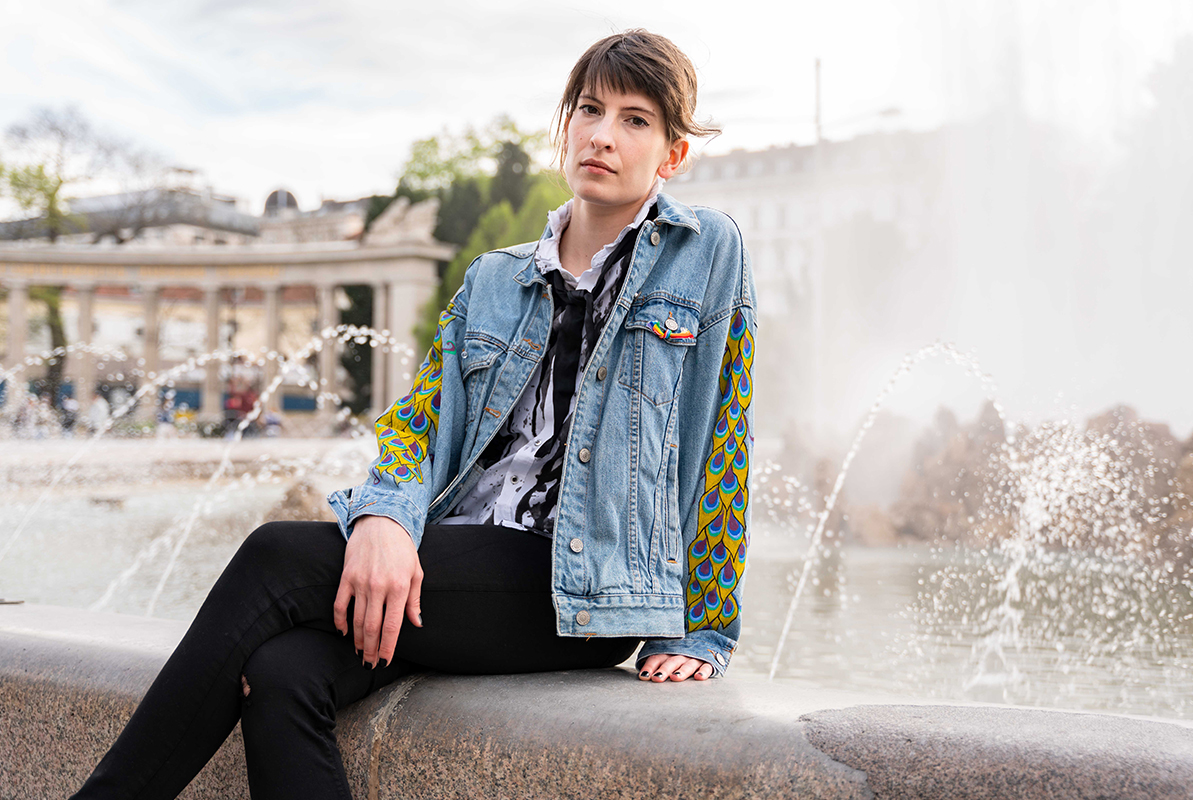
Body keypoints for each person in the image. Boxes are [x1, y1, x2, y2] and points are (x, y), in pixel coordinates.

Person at [72, 28, 755, 800]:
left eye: (635, 119)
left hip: (578, 582)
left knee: (274, 558)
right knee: (282, 673)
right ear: (564, 124)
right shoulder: (493, 279)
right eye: (589, 108)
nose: (602, 134)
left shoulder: (706, 251)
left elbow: (723, 436)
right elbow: (420, 420)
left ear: (672, 154)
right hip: (458, 558)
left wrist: (700, 627)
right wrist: (388, 519)